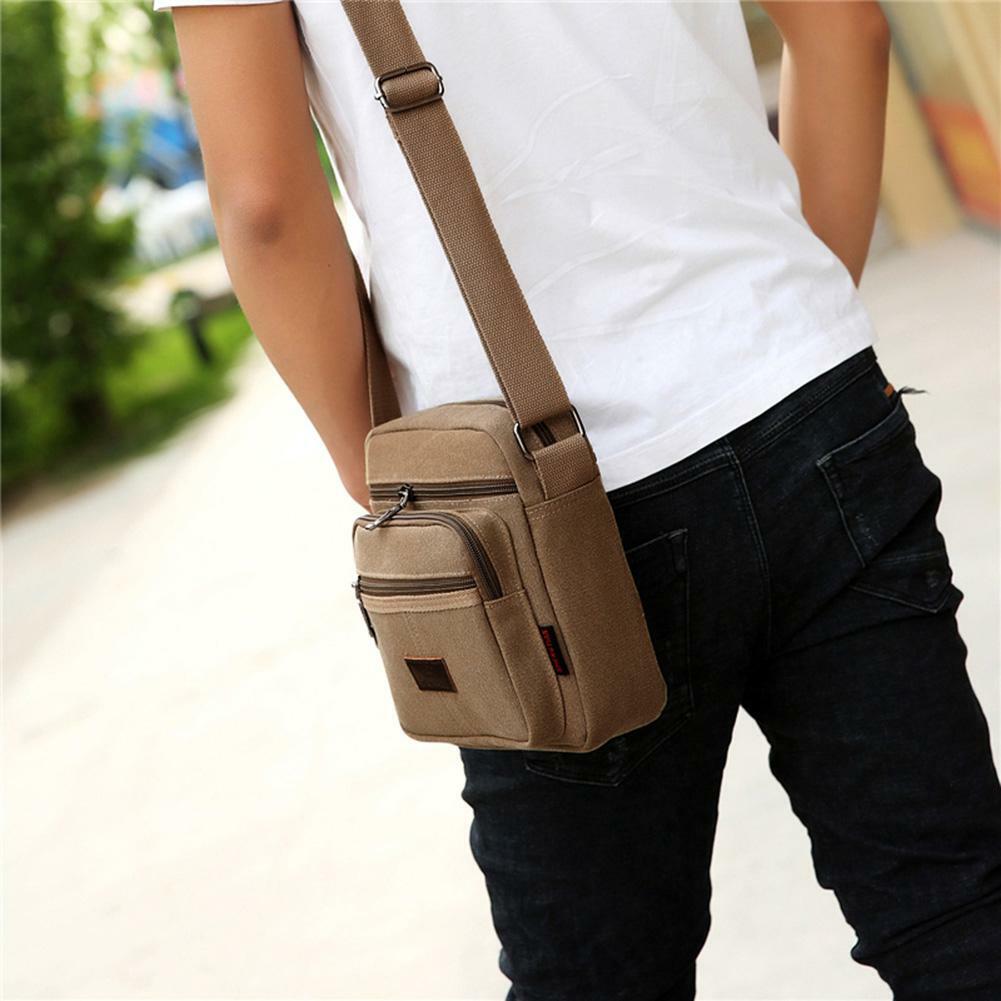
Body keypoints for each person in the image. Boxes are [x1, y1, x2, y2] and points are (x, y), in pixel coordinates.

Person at [155, 1, 1001, 997]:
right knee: (957, 913)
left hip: (526, 512)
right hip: (808, 403)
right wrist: (791, 331)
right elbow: (844, 29)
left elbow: (264, 207)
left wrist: (381, 472)